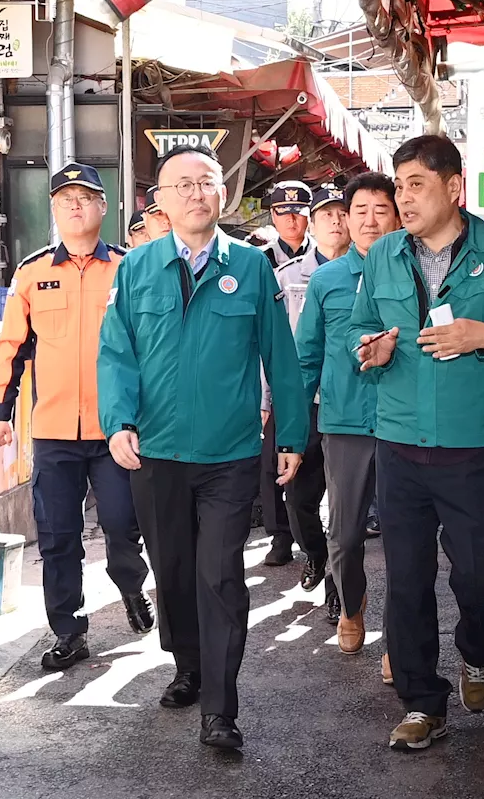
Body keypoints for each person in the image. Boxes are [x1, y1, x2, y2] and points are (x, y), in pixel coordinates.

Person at [97, 143, 309, 751]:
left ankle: (220, 707)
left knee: (221, 576)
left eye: (207, 182)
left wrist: (290, 435)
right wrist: (118, 422)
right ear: (159, 202)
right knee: (173, 570)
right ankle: (187, 662)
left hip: (230, 455)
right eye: (182, 185)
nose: (196, 193)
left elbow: (281, 356)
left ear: (224, 195)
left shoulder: (252, 267)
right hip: (156, 452)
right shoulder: (136, 270)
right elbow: (116, 354)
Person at [349, 135, 484, 751]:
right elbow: (359, 327)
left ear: (454, 188)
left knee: (479, 575)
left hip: (473, 446)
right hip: (400, 443)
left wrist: (483, 333)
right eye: (398, 184)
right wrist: (369, 349)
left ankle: (478, 652)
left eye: (415, 184)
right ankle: (420, 702)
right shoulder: (382, 258)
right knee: (405, 580)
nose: (401, 197)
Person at [0, 162, 154, 672]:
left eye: (86, 198)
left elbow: (151, 348)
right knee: (58, 535)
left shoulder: (132, 268)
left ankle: (130, 586)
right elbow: (11, 347)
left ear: (104, 208)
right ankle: (69, 629)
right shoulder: (33, 273)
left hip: (117, 430)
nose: (75, 206)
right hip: (56, 429)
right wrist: (1, 410)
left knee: (124, 527)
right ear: (54, 209)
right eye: (65, 199)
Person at [297, 172, 401, 653]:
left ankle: (398, 640)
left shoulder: (414, 271)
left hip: (406, 423)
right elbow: (306, 357)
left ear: (398, 215)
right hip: (345, 424)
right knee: (344, 534)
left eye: (381, 210)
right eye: (359, 211)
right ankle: (352, 608)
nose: (370, 221)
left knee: (406, 538)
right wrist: (292, 431)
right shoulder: (326, 279)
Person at [259, 184, 350, 612]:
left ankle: (338, 582)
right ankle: (313, 552)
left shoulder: (372, 272)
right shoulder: (286, 276)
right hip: (300, 404)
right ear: (313, 224)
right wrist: (265, 399)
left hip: (350, 405)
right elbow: (266, 344)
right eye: (326, 214)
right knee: (297, 498)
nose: (335, 220)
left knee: (346, 503)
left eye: (340, 213)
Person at [257, 179, 316, 566]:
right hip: (274, 376)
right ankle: (278, 536)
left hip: (313, 378)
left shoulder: (327, 258)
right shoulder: (259, 261)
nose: (291, 220)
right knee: (269, 464)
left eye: (298, 212)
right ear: (273, 217)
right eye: (283, 212)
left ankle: (310, 536)